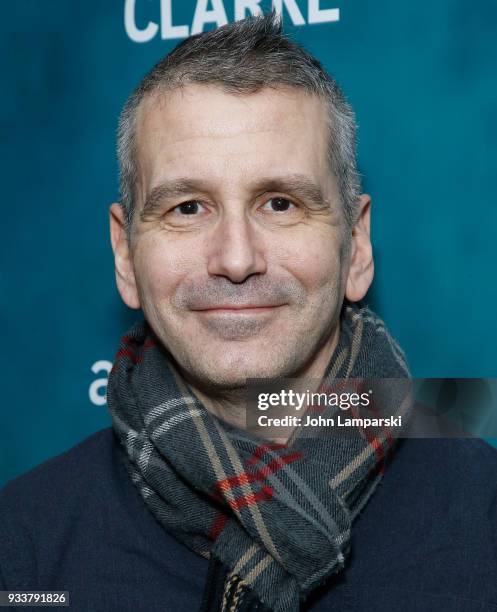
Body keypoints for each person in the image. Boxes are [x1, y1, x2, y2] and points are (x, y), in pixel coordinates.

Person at [1, 12, 496, 612]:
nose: (236, 260)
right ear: (126, 256)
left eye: (280, 203)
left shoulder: (483, 515)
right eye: (187, 208)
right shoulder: (25, 546)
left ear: (357, 247)